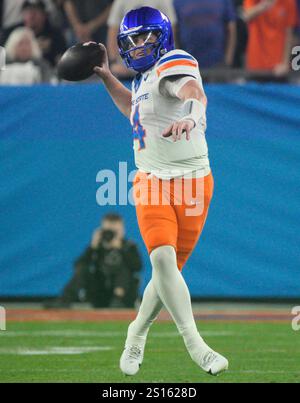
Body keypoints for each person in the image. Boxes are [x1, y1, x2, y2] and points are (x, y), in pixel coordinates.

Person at [93, 7, 228, 376]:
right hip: (150, 179)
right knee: (162, 262)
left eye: (145, 37)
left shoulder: (174, 60)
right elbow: (133, 111)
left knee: (168, 272)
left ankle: (137, 331)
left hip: (194, 183)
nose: (138, 46)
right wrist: (107, 77)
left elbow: (193, 92)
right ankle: (196, 346)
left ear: (163, 36)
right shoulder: (140, 81)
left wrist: (191, 117)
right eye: (131, 40)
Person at [44, 214, 142, 309]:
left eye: (114, 231)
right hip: (100, 293)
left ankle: (117, 300)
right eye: (108, 231)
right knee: (83, 269)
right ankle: (64, 300)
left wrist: (121, 249)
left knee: (124, 269)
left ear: (122, 230)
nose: (110, 235)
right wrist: (92, 248)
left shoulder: (129, 246)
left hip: (123, 297)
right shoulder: (97, 246)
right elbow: (78, 265)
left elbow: (137, 267)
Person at [106, 0, 177, 78]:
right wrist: (113, 62)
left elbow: (171, 29)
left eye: (146, 40)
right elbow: (113, 32)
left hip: (160, 64)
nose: (140, 45)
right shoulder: (121, 2)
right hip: (128, 70)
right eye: (135, 41)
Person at [0, 0, 67, 67]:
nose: (31, 16)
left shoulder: (55, 35)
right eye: (27, 12)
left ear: (45, 15)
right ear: (22, 14)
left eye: (36, 12)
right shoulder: (12, 32)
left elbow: (61, 60)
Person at [173, 0, 237, 69]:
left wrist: (228, 59)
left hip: (217, 63)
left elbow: (231, 28)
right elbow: (174, 29)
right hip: (187, 63)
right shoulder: (178, 1)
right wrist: (177, 59)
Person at [243, 0, 297, 76]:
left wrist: (285, 63)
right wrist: (263, 6)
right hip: (255, 63)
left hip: (277, 66)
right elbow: (245, 16)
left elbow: (289, 34)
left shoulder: (289, 2)